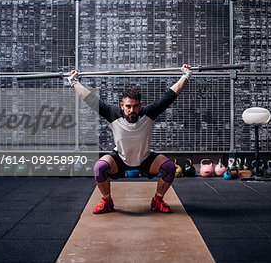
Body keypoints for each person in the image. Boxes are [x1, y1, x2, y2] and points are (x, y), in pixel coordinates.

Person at [67, 64, 192, 214]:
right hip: (120, 158)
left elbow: (170, 95)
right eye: (128, 106)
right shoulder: (112, 113)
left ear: (140, 106)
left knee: (169, 168)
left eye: (135, 106)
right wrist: (74, 82)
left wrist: (186, 76)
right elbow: (90, 99)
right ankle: (107, 201)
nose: (131, 110)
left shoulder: (149, 113)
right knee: (99, 167)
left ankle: (157, 200)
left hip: (145, 159)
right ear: (122, 105)